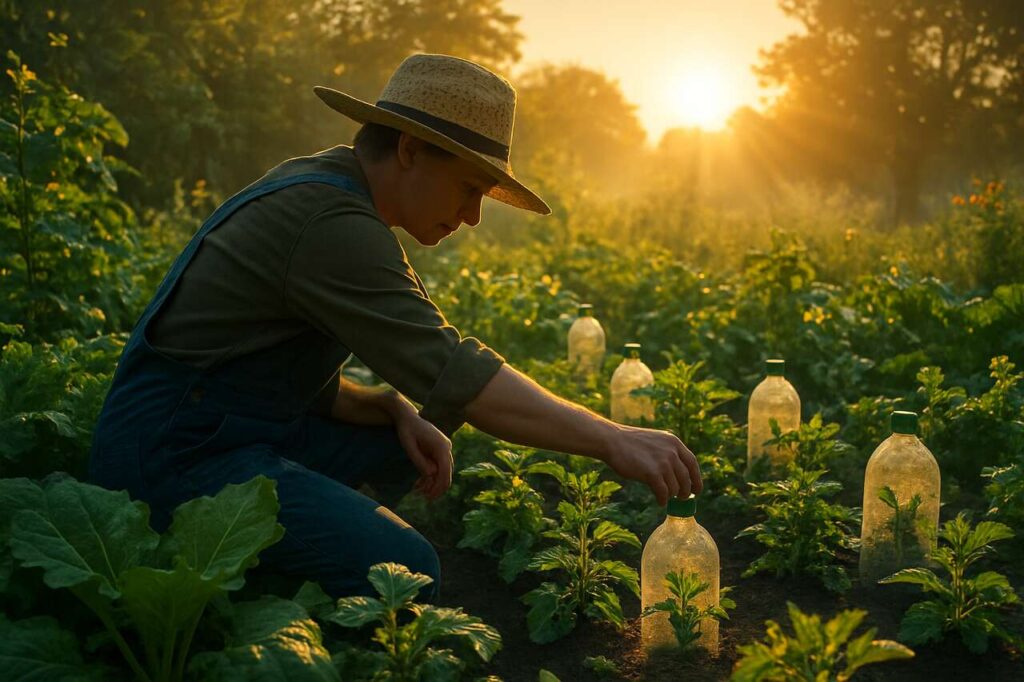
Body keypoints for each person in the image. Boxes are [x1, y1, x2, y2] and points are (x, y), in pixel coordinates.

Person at [89, 53, 701, 600]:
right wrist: (612, 437)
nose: (473, 215)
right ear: (409, 149)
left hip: (223, 423)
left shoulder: (327, 186)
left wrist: (386, 404)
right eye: (468, 187)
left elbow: (254, 363)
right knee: (405, 571)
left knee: (402, 441)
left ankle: (273, 551)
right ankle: (230, 594)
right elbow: (456, 372)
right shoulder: (331, 222)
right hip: (169, 454)